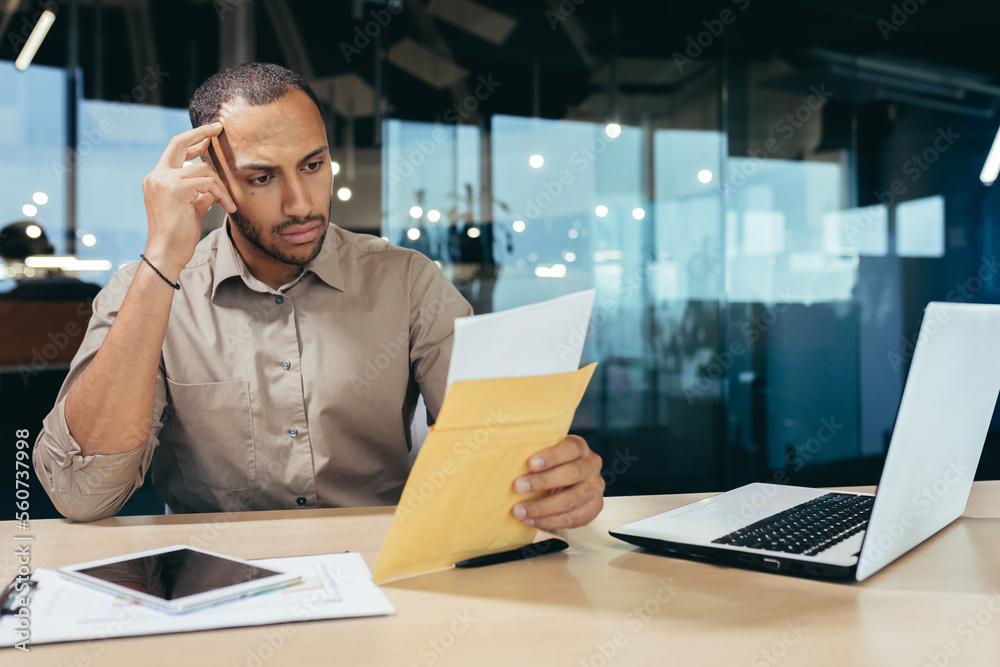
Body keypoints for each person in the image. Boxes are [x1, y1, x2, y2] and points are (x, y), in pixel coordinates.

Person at [33, 63, 605, 528]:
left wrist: (554, 480)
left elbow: (497, 458)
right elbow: (82, 496)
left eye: (313, 165)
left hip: (383, 579)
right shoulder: (150, 292)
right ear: (212, 177)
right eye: (262, 178)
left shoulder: (406, 281)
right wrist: (162, 257)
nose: (302, 203)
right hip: (217, 592)